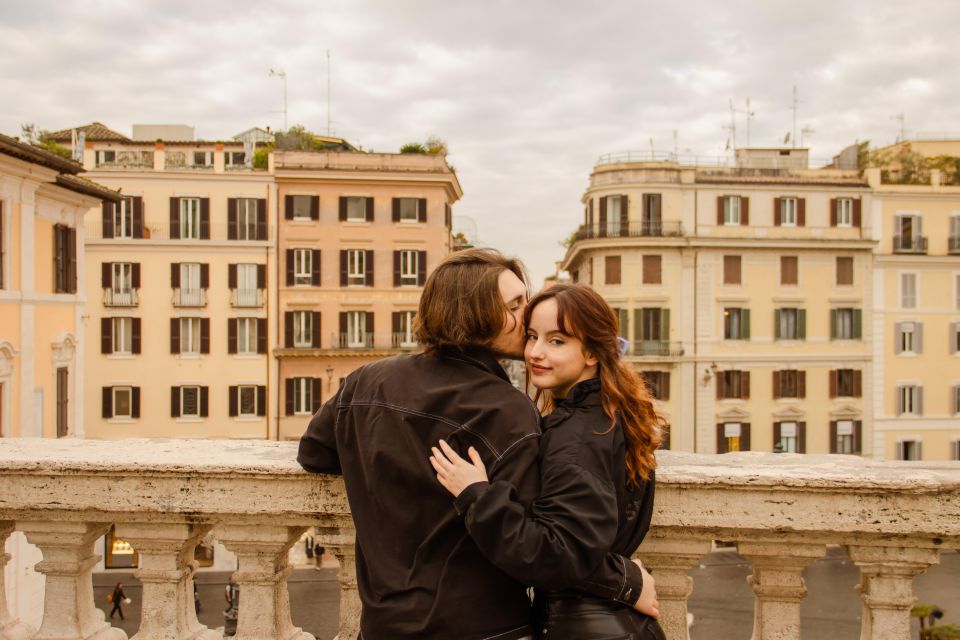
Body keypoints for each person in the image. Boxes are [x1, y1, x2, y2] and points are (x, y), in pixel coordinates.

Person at [298, 249, 649, 640]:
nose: (528, 311)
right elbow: (546, 544)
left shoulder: (367, 380)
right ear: (475, 314)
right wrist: (624, 581)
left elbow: (314, 453)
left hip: (384, 625)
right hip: (485, 628)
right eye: (515, 305)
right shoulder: (508, 412)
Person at [431, 283, 665, 639]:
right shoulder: (608, 415)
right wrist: (627, 582)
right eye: (531, 336)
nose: (535, 352)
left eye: (557, 341)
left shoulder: (576, 437)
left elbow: (558, 555)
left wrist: (477, 494)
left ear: (590, 352)